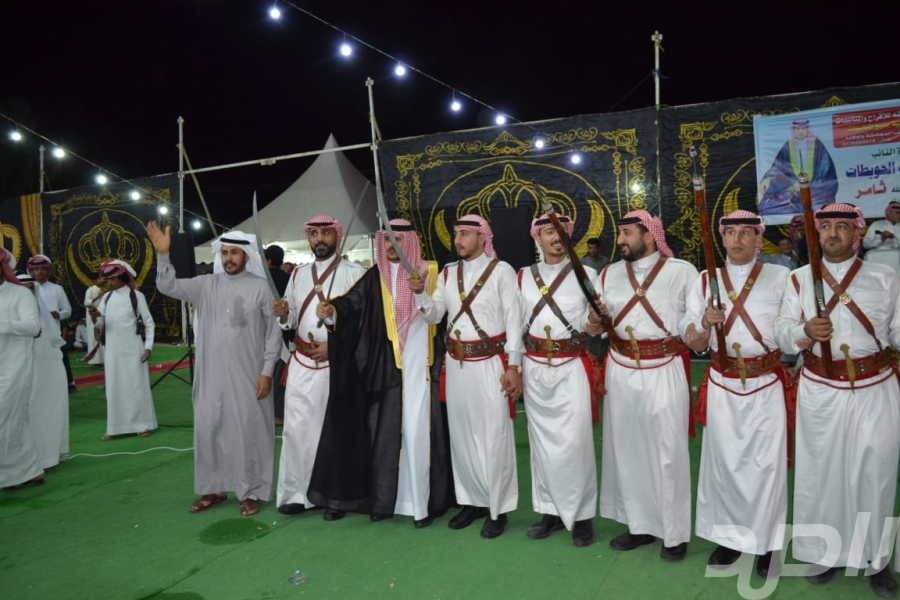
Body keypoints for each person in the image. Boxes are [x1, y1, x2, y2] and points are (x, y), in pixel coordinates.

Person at [775, 203, 900, 597]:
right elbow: (781, 331)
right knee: (821, 472)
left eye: (841, 226)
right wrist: (804, 330)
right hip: (820, 389)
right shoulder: (798, 279)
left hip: (875, 387)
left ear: (857, 233)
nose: (832, 233)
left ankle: (876, 559)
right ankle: (822, 553)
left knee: (876, 473)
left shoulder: (885, 277)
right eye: (825, 226)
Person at [313, 218, 456, 527]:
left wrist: (419, 291)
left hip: (423, 364)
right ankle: (386, 501)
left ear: (410, 242)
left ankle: (421, 505)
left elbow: (440, 316)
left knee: (419, 432)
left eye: (398, 240)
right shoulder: (375, 276)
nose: (392, 246)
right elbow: (351, 304)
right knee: (386, 432)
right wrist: (332, 312)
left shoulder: (432, 272)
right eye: (387, 241)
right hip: (387, 367)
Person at [681, 210, 791, 578]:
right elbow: (691, 337)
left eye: (746, 232)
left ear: (759, 238)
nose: (738, 239)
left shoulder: (781, 278)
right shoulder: (704, 280)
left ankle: (768, 544)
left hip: (765, 383)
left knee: (767, 466)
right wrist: (703, 323)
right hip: (722, 383)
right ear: (722, 238)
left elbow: (791, 329)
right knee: (724, 463)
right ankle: (729, 539)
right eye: (730, 232)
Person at [148, 223, 283, 518]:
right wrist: (163, 255)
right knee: (210, 427)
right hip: (210, 375)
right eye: (224, 253)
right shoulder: (205, 285)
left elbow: (274, 333)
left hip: (249, 374)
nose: (228, 258)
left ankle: (249, 492)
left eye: (234, 252)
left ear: (246, 256)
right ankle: (214, 488)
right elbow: (168, 286)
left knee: (247, 431)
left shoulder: (260, 287)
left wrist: (266, 371)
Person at [413, 214, 524, 539]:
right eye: (456, 233)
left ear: (482, 237)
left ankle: (497, 509)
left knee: (494, 438)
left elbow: (514, 321)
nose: (458, 239)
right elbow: (434, 314)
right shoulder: (448, 273)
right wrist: (420, 294)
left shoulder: (502, 271)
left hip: (491, 365)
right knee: (462, 437)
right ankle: (472, 502)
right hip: (456, 365)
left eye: (465, 233)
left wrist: (514, 366)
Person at [598, 210, 698, 561]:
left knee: (668, 451)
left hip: (664, 367)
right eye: (620, 233)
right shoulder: (609, 273)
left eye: (627, 233)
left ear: (649, 235)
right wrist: (592, 321)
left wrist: (694, 330)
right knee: (627, 449)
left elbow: (693, 317)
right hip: (620, 368)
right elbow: (592, 319)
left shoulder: (682, 271)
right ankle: (637, 525)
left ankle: (674, 532)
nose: (620, 240)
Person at [517, 214, 603, 547]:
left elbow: (592, 322)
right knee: (540, 444)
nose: (556, 237)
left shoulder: (587, 275)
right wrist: (514, 367)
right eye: (548, 232)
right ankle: (549, 511)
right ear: (537, 238)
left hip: (570, 366)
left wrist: (593, 322)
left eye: (561, 232)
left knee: (576, 443)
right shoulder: (523, 277)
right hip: (534, 367)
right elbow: (515, 324)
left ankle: (582, 516)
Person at [270, 216, 364, 518]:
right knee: (296, 430)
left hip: (338, 364)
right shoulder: (298, 274)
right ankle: (297, 494)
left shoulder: (355, 274)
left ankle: (335, 497)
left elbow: (363, 325)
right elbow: (291, 319)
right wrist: (283, 313)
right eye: (313, 234)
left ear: (337, 236)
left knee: (334, 430)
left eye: (325, 233)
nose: (319, 239)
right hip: (301, 361)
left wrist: (333, 346)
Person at [90, 259, 157, 441]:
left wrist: (148, 346)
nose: (109, 283)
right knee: (114, 386)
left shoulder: (136, 296)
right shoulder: (107, 298)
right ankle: (115, 428)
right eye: (108, 280)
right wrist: (95, 317)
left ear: (122, 278)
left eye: (112, 279)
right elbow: (101, 323)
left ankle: (142, 425)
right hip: (112, 350)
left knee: (136, 385)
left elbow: (149, 323)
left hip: (133, 348)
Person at [0, 248, 45, 491]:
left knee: (5, 418)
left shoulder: (20, 294)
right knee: (15, 419)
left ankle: (7, 476)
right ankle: (30, 470)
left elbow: (33, 327)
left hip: (14, 367)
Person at [17, 271, 70, 471]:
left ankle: (49, 454)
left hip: (48, 373)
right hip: (24, 373)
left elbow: (54, 343)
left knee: (49, 410)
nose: (28, 292)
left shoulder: (42, 313)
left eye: (30, 288)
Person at [758, 118, 838, 215]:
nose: (800, 131)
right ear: (793, 130)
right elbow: (778, 167)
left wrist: (806, 186)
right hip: (792, 187)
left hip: (815, 190)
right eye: (797, 129)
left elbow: (826, 173)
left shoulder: (818, 146)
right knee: (767, 206)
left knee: (818, 207)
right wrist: (768, 178)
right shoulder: (787, 146)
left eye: (803, 128)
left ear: (808, 129)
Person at [27, 255, 76, 392]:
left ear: (49, 271)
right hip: (33, 332)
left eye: (43, 269)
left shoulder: (57, 289)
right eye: (36, 269)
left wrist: (58, 315)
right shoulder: (26, 288)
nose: (40, 272)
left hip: (53, 331)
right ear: (31, 271)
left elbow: (68, 311)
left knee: (59, 358)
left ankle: (67, 384)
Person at [265, 244, 292, 427]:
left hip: (267, 331)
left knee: (270, 371)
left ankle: (273, 413)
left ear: (268, 260)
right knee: (282, 372)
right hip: (287, 330)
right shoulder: (289, 278)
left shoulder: (262, 280)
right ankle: (279, 413)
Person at [862, 199, 900, 274]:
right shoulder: (876, 224)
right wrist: (881, 239)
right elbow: (866, 244)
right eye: (898, 213)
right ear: (890, 213)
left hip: (896, 253)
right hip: (875, 253)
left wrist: (895, 238)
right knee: (870, 256)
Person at [83, 275, 105, 367]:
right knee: (94, 338)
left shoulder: (103, 291)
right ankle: (94, 362)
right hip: (93, 317)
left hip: (101, 317)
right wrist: (97, 297)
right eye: (100, 279)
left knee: (101, 339)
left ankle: (102, 360)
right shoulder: (90, 289)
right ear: (95, 280)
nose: (102, 280)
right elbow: (87, 303)